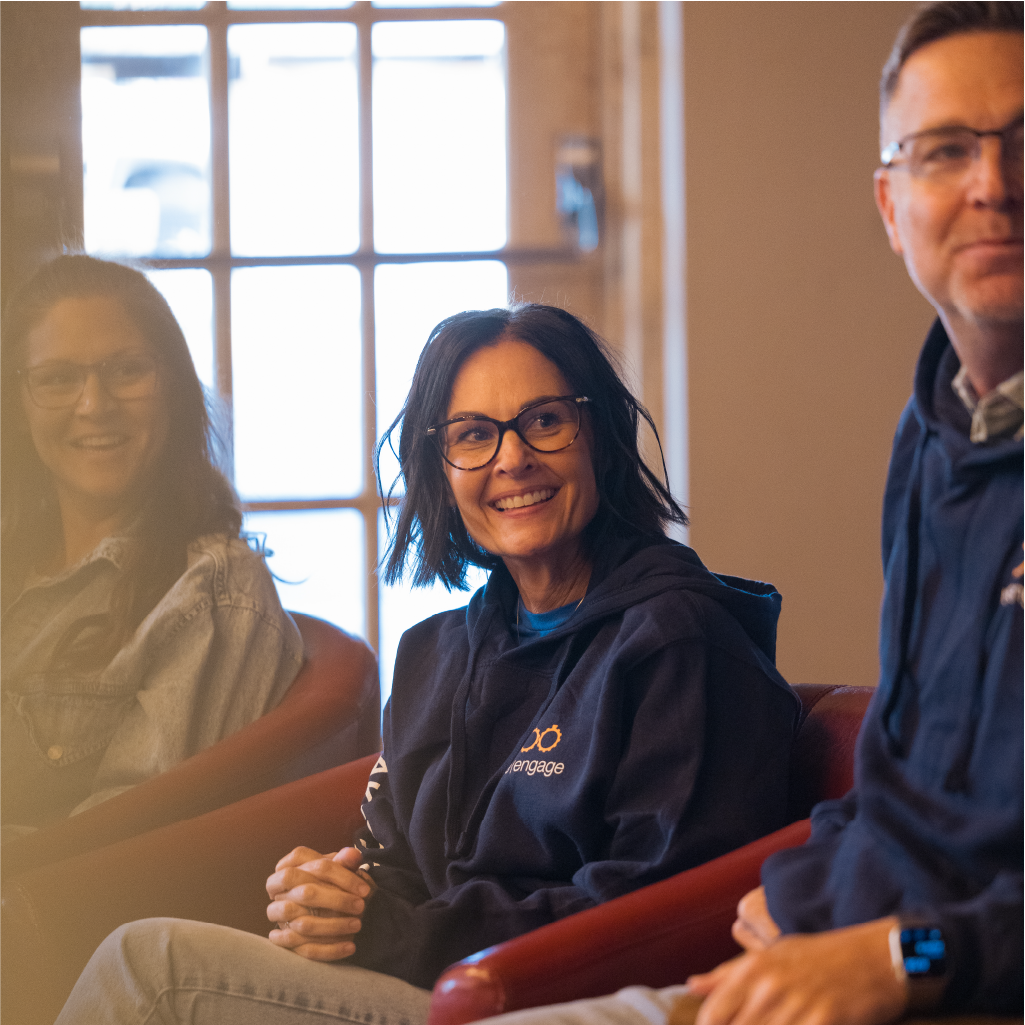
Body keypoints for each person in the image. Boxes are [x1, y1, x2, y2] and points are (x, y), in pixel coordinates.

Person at [465, 3, 1025, 1024]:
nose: (993, 184)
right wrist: (817, 891)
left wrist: (909, 952)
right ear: (891, 206)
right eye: (944, 151)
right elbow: (907, 785)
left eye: (1023, 144)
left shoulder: (668, 628)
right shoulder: (933, 431)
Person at [55, 303, 800, 1024]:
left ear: (597, 436)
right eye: (474, 434)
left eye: (545, 420)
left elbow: (658, 911)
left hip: (539, 1003)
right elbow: (394, 866)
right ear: (439, 466)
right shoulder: (436, 650)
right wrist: (329, 899)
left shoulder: (678, 643)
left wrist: (399, 934)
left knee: (148, 968)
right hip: (423, 981)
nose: (512, 458)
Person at [0, 254, 303, 842]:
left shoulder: (215, 588)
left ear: (173, 389)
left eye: (126, 370)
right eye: (58, 378)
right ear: (18, 407)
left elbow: (125, 845)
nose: (94, 404)